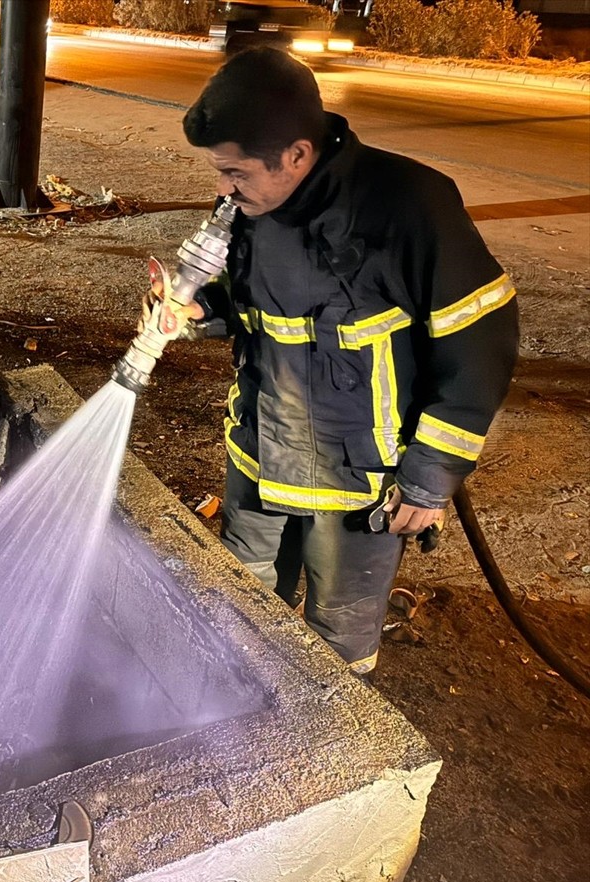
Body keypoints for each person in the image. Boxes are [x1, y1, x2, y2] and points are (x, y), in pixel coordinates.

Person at [179, 47, 519, 674]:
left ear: (298, 156)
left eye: (234, 172)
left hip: (359, 479)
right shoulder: (253, 205)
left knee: (339, 629)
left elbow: (480, 342)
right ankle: (237, 715)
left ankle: (326, 748)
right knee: (243, 600)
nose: (221, 190)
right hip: (259, 452)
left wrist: (430, 477)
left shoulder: (409, 204)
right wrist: (204, 308)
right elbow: (254, 300)